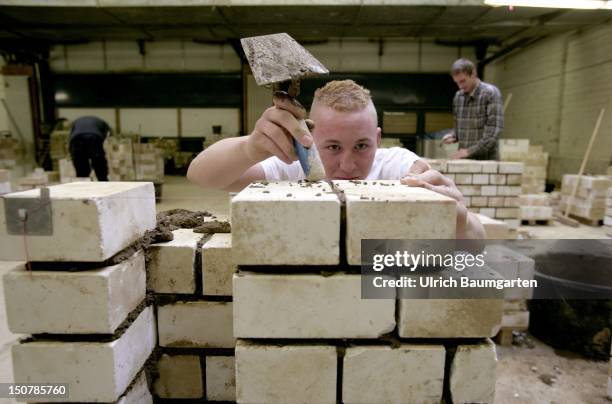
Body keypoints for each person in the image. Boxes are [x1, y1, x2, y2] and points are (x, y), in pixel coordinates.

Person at [188, 80, 484, 239]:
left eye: (362, 146)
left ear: (378, 140)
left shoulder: (397, 168)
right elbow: (201, 176)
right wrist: (250, 148)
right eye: (332, 147)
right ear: (310, 139)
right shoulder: (291, 169)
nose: (348, 165)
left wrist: (458, 222)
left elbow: (476, 245)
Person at [442, 58, 503, 160]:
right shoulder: (458, 97)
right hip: (464, 161)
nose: (460, 86)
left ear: (473, 74)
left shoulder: (490, 93)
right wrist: (453, 136)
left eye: (462, 81)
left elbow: (493, 133)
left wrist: (468, 152)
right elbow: (459, 129)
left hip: (487, 161)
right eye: (457, 82)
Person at [69, 116, 111, 181]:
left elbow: (71, 136)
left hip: (77, 138)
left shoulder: (76, 122)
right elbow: (104, 136)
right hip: (94, 136)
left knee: (80, 162)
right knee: (98, 160)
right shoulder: (104, 124)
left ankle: (82, 180)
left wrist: (72, 153)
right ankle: (102, 179)